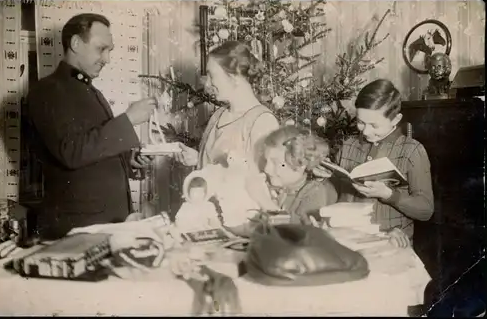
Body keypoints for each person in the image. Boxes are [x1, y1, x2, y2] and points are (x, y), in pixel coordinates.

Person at [26, 13, 158, 239]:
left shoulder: (91, 92)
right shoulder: (48, 91)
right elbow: (71, 152)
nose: (107, 59)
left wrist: (129, 161)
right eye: (101, 49)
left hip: (105, 222)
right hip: (78, 227)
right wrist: (128, 120)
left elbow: (92, 151)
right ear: (76, 43)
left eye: (110, 50)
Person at [316, 79, 434, 247]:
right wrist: (324, 177)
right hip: (348, 240)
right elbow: (335, 195)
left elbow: (425, 210)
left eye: (374, 125)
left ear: (395, 119)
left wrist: (389, 195)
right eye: (361, 122)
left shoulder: (412, 151)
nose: (366, 131)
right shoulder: (349, 144)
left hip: (391, 243)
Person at [174, 41, 280, 172]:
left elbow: (261, 182)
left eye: (212, 76)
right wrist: (198, 158)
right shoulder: (218, 115)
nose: (207, 84)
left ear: (234, 76)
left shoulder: (262, 121)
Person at [246, 126, 338, 226]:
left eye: (275, 162)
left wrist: (263, 199)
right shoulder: (275, 184)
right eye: (266, 161)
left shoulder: (314, 192)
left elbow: (295, 235)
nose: (266, 169)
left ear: (301, 164)